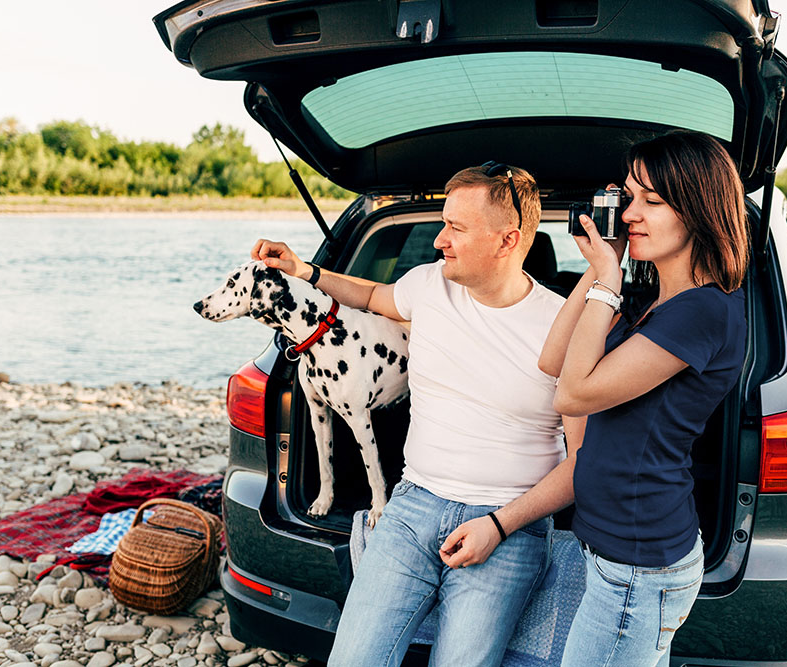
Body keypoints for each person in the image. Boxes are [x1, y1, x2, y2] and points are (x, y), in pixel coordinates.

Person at [251, 163, 584, 667]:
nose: (438, 241)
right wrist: (305, 271)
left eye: (456, 227)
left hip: (509, 528)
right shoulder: (427, 285)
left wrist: (497, 525)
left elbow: (582, 463)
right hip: (412, 509)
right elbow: (368, 296)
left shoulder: (563, 324)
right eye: (442, 223)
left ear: (507, 240)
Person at [440, 130, 748, 666]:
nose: (631, 213)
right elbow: (554, 359)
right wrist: (601, 269)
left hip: (640, 563)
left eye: (652, 201)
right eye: (629, 198)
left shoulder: (704, 311)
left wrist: (610, 278)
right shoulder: (653, 304)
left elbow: (574, 393)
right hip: (615, 553)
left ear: (698, 209)